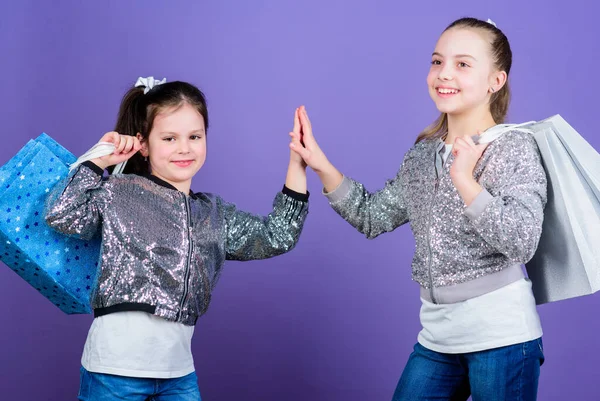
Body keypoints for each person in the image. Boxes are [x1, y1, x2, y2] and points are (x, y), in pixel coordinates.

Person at [289, 17, 546, 401]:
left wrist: (464, 178)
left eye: (463, 64)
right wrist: (321, 164)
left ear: (496, 81)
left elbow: (522, 241)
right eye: (437, 61)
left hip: (503, 338)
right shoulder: (423, 155)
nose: (444, 74)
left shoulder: (513, 147)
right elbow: (372, 216)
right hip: (438, 337)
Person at [45, 77, 309, 400]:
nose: (184, 148)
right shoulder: (118, 192)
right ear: (143, 143)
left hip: (178, 375)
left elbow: (277, 235)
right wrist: (99, 157)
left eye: (194, 136)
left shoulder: (214, 214)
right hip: (112, 373)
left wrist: (297, 163)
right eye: (169, 138)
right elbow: (60, 212)